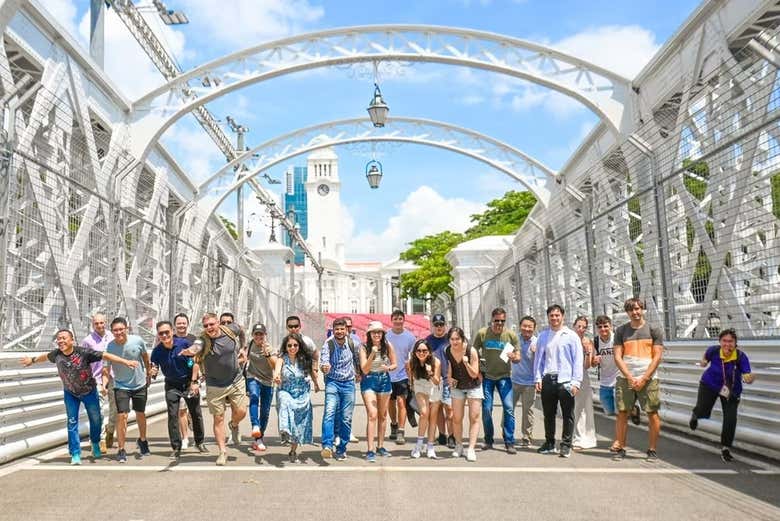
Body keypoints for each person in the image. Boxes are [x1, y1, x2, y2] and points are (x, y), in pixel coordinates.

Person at [20, 329, 138, 465]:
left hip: (89, 392)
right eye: (58, 338)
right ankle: (75, 453)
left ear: (72, 341)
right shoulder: (56, 354)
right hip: (70, 394)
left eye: (64, 338)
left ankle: (95, 443)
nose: (61, 341)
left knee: (96, 420)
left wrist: (125, 362)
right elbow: (45, 357)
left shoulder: (83, 352)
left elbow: (106, 356)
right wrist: (32, 360)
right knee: (71, 422)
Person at [181, 312, 248, 466]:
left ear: (218, 323)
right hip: (215, 384)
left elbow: (242, 330)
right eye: (206, 326)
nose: (209, 328)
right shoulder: (203, 340)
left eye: (212, 324)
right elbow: (195, 347)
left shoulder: (230, 330)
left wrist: (243, 348)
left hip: (235, 380)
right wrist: (189, 352)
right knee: (218, 418)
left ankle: (234, 425)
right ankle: (222, 452)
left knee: (242, 411)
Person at [689, 328, 755, 462]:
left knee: (730, 419)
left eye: (730, 341)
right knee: (703, 409)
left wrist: (749, 379)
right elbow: (705, 360)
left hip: (731, 390)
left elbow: (747, 374)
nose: (727, 344)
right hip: (710, 384)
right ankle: (696, 414)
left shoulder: (741, 357)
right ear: (719, 341)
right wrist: (703, 363)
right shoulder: (713, 351)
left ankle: (725, 448)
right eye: (724, 341)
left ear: (735, 343)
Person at [612, 297, 664, 461]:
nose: (635, 312)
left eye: (638, 309)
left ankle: (652, 449)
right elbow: (617, 356)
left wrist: (644, 378)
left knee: (652, 412)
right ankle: (620, 446)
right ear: (627, 312)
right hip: (625, 377)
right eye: (631, 310)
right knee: (622, 412)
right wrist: (629, 377)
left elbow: (657, 357)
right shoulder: (621, 331)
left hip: (648, 377)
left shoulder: (654, 329)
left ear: (642, 309)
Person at [150, 320, 206, 459]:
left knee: (195, 413)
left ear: (172, 331)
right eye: (161, 333)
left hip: (188, 382)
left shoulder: (184, 344)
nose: (164, 335)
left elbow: (195, 363)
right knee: (172, 415)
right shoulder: (157, 351)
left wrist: (194, 382)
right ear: (158, 335)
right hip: (172, 385)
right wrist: (153, 371)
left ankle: (199, 442)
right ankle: (176, 447)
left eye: (167, 332)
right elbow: (154, 367)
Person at [533, 304, 583, 458]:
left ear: (562, 316)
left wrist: (576, 382)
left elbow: (578, 360)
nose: (554, 318)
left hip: (566, 380)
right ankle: (549, 443)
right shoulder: (543, 336)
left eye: (557, 315)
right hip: (548, 378)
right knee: (548, 413)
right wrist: (538, 377)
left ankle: (566, 445)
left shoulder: (571, 335)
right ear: (548, 317)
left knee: (568, 414)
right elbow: (539, 359)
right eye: (551, 316)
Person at [104, 317, 151, 463]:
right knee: (122, 416)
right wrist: (104, 384)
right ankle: (121, 449)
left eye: (121, 329)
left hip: (139, 384)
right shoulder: (110, 347)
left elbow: (145, 357)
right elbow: (106, 368)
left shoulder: (137, 341)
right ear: (112, 332)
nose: (118, 332)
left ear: (127, 329)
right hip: (121, 385)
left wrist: (148, 373)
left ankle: (143, 440)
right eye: (115, 330)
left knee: (140, 414)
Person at [473, 307, 519, 454]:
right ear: (491, 320)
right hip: (487, 377)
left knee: (509, 408)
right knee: (487, 409)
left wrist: (514, 357)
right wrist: (478, 371)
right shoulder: (482, 334)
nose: (499, 323)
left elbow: (518, 357)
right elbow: (473, 352)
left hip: (504, 376)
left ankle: (509, 441)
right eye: (497, 320)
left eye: (502, 321)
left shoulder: (510, 335)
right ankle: (488, 439)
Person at [273, 333, 317, 463]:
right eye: (289, 345)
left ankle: (293, 450)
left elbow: (311, 373)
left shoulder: (304, 359)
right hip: (286, 391)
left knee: (298, 425)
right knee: (284, 401)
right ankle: (284, 431)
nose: (292, 348)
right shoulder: (282, 359)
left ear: (299, 346)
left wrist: (316, 383)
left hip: (301, 395)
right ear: (285, 347)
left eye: (295, 345)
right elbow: (277, 370)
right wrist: (276, 376)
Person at [320, 317, 359, 460]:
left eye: (342, 329)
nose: (339, 331)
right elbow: (324, 360)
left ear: (346, 330)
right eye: (337, 329)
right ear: (333, 330)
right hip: (333, 382)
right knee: (329, 412)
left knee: (346, 418)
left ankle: (342, 448)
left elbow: (356, 359)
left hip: (348, 383)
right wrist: (325, 367)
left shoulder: (352, 343)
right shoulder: (328, 344)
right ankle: (327, 446)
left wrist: (359, 372)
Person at [359, 321, 397, 462]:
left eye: (379, 332)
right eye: (374, 332)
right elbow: (364, 369)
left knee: (383, 415)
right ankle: (370, 449)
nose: (377, 334)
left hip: (384, 381)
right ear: (369, 334)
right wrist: (372, 354)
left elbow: (395, 364)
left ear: (382, 334)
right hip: (369, 380)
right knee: (372, 414)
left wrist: (389, 368)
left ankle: (380, 446)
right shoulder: (363, 347)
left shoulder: (387, 345)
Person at [446, 327, 483, 462]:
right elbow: (450, 367)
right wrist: (449, 378)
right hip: (458, 386)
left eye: (457, 339)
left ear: (462, 339)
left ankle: (471, 448)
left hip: (473, 385)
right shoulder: (447, 350)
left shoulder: (471, 351)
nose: (455, 342)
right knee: (456, 417)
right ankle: (459, 445)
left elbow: (474, 373)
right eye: (452, 339)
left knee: (474, 417)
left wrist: (466, 363)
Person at [80, 313, 115, 452]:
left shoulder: (112, 337)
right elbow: (83, 362)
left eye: (102, 323)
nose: (100, 326)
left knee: (116, 408)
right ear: (92, 324)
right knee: (98, 411)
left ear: (106, 322)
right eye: (96, 323)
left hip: (114, 376)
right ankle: (99, 439)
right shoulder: (88, 341)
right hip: (96, 379)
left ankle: (110, 429)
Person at [387, 309, 417, 444]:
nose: (398, 321)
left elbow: (414, 357)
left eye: (400, 319)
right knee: (390, 402)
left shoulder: (410, 337)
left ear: (403, 320)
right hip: (388, 374)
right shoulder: (386, 336)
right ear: (391, 320)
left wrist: (412, 376)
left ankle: (401, 430)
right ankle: (393, 424)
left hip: (403, 375)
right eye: (395, 319)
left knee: (401, 402)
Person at [408, 338, 441, 459]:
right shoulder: (412, 362)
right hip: (420, 386)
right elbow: (411, 377)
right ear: (415, 352)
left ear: (429, 352)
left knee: (433, 418)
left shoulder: (435, 362)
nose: (421, 353)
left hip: (433, 386)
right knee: (424, 413)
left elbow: (437, 382)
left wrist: (431, 372)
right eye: (419, 350)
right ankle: (419, 444)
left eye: (424, 350)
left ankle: (430, 447)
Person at [592, 315, 621, 452]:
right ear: (597, 329)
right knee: (609, 411)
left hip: (619, 379)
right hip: (604, 381)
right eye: (600, 327)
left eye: (606, 326)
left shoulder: (617, 339)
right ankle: (632, 409)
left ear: (610, 326)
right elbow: (591, 363)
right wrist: (594, 360)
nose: (603, 329)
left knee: (619, 413)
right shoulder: (596, 342)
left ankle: (618, 440)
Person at [245, 323, 275, 452]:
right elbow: (244, 358)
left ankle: (259, 438)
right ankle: (255, 426)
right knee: (254, 397)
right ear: (252, 335)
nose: (258, 336)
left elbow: (274, 366)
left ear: (265, 335)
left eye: (261, 334)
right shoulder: (250, 344)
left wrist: (268, 355)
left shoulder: (270, 347)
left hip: (268, 381)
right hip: (253, 376)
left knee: (265, 411)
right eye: (256, 334)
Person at [426, 314, 454, 448]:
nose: (439, 327)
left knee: (449, 408)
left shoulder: (450, 339)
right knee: (437, 409)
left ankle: (452, 435)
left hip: (448, 378)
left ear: (445, 325)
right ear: (432, 325)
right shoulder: (428, 340)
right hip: (434, 379)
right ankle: (442, 435)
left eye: (441, 324)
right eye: (436, 325)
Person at [510, 316, 537, 448]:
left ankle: (527, 437)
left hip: (530, 383)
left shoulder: (537, 343)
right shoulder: (514, 340)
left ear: (534, 328)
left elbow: (543, 363)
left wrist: (537, 353)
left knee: (528, 411)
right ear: (520, 326)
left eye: (530, 327)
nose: (527, 329)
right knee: (509, 409)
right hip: (513, 381)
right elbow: (504, 357)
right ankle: (507, 435)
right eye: (524, 326)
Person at [572, 316, 597, 450]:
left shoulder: (588, 342)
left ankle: (581, 438)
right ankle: (572, 436)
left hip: (582, 377)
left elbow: (587, 365)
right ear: (574, 326)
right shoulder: (569, 340)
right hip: (568, 376)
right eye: (579, 326)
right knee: (570, 409)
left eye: (584, 327)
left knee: (581, 409)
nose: (581, 329)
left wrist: (588, 352)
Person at [173, 313, 196, 449]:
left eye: (183, 323)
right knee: (181, 410)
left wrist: (198, 376)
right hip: (177, 380)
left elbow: (199, 358)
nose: (181, 325)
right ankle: (185, 438)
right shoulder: (171, 339)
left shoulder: (194, 339)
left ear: (187, 324)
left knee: (193, 410)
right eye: (179, 323)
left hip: (192, 378)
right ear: (175, 325)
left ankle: (191, 419)